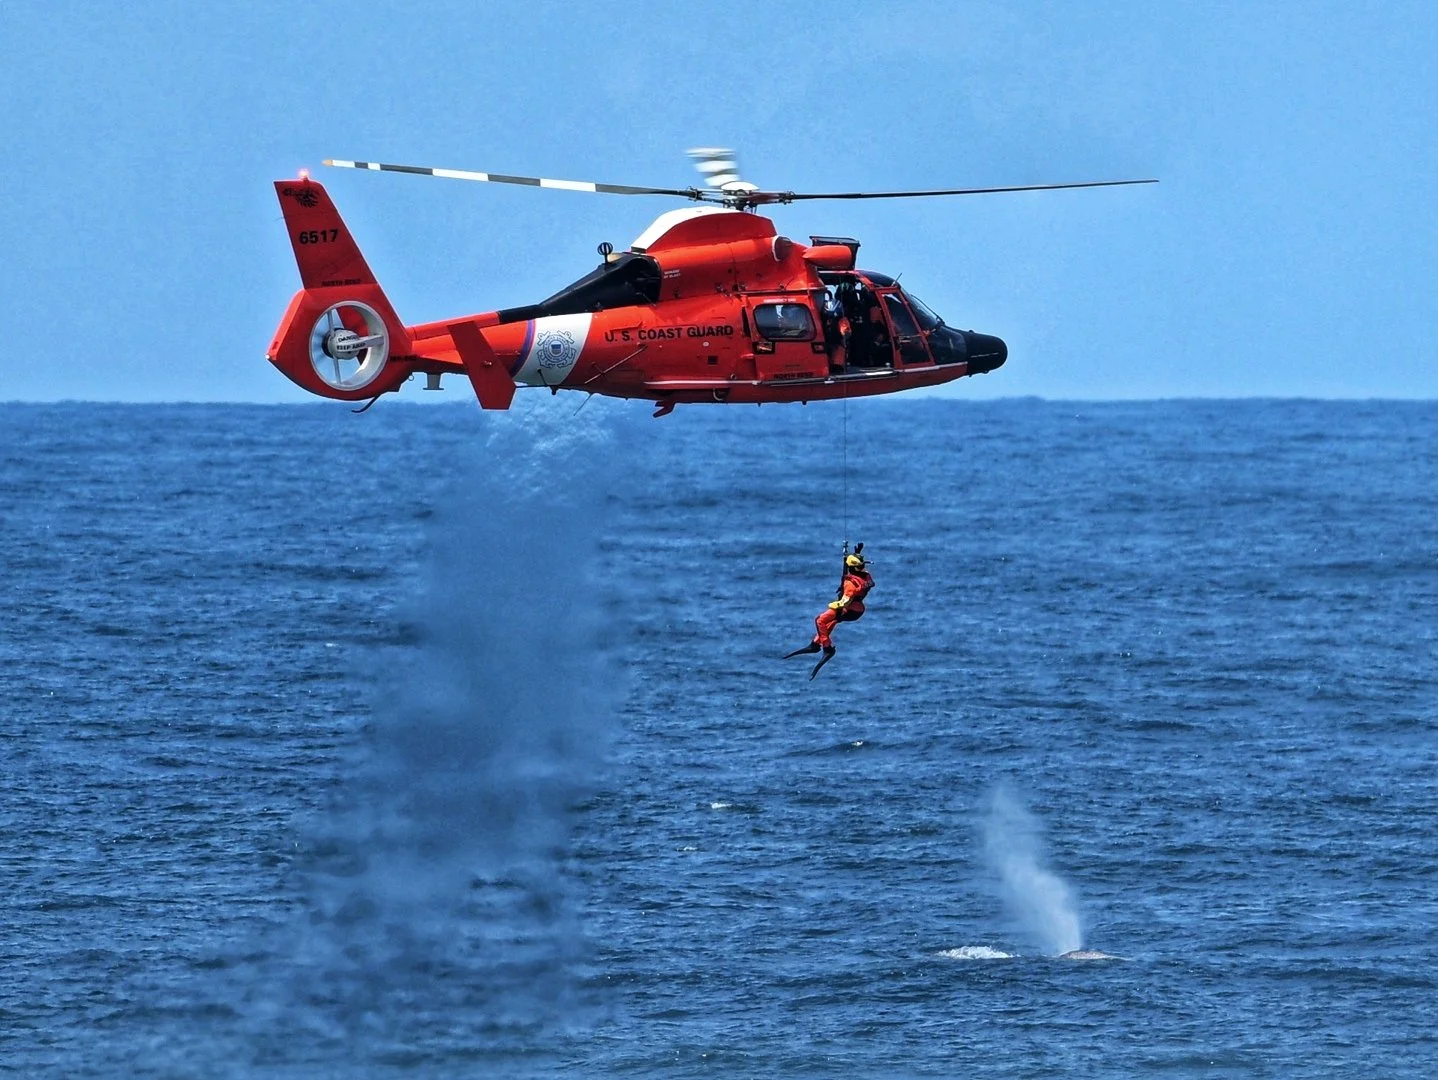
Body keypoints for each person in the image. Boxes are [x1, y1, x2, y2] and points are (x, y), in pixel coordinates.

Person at [783, 547, 874, 679]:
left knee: (820, 620)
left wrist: (833, 604)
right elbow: (858, 569)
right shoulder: (866, 576)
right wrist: (857, 554)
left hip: (849, 609)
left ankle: (827, 648)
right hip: (859, 609)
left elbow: (844, 602)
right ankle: (815, 644)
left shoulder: (851, 584)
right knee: (832, 620)